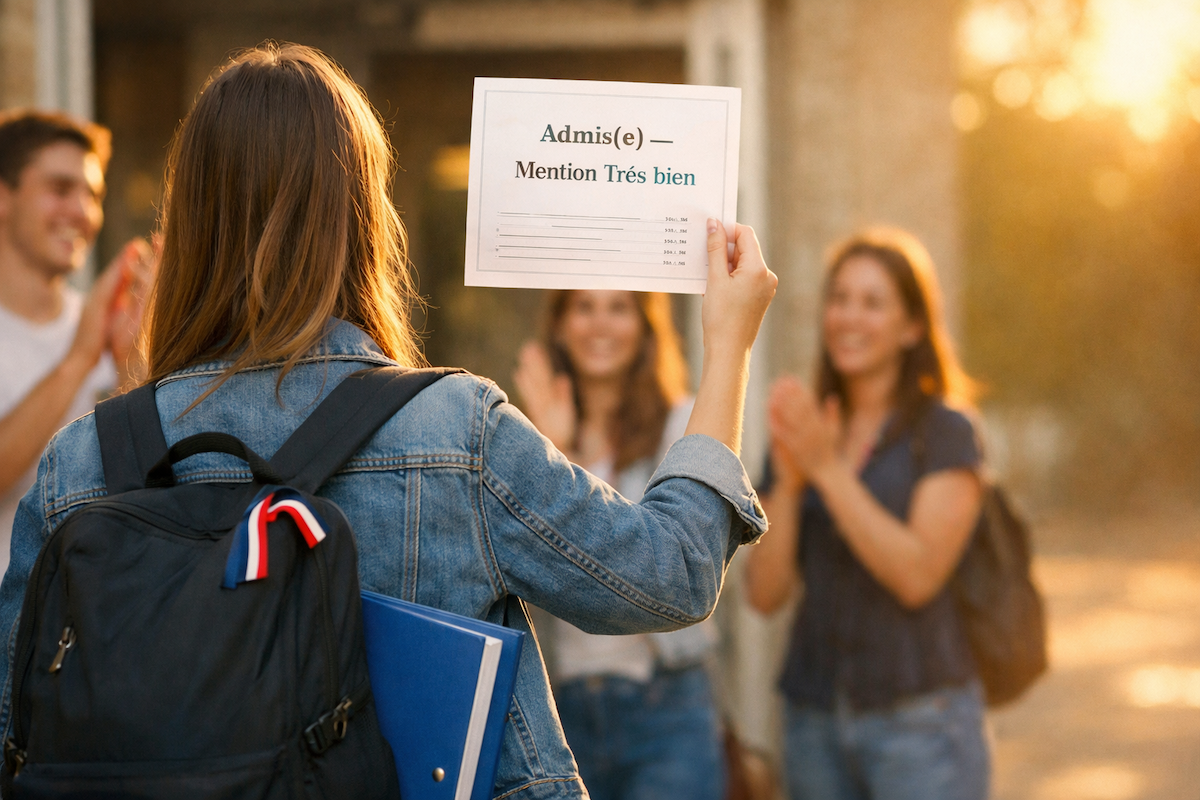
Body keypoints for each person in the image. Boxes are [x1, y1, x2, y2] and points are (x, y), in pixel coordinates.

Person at [0, 44, 777, 800]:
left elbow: (17, 725)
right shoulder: (456, 431)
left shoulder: (84, 464)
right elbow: (667, 574)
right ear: (362, 215)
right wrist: (730, 347)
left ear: (193, 219)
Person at [744, 228, 988, 800]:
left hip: (922, 722)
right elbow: (764, 594)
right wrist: (791, 476)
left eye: (872, 302)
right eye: (839, 298)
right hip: (813, 718)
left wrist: (825, 471)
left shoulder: (945, 433)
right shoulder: (805, 425)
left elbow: (917, 576)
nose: (849, 317)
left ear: (911, 328)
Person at [513, 290, 724, 800]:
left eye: (619, 308)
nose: (600, 324)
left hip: (666, 706)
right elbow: (527, 570)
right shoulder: (532, 435)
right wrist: (552, 449)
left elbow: (665, 565)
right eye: (584, 308)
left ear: (646, 324)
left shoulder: (684, 426)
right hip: (562, 713)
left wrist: (562, 463)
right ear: (560, 324)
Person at [0, 110, 155, 577]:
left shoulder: (99, 326)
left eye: (93, 194)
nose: (83, 213)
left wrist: (136, 363)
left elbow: (138, 485)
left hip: (76, 623)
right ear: (3, 197)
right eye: (61, 189)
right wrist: (80, 359)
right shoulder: (88, 339)